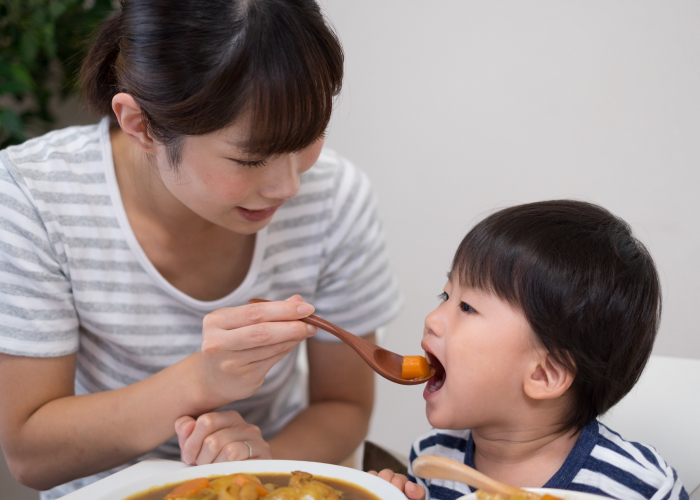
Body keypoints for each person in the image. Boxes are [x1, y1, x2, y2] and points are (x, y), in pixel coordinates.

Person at [0, 1, 401, 498]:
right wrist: (201, 381)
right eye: (251, 159)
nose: (288, 186)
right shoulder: (33, 196)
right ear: (140, 124)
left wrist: (262, 468)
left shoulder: (336, 197)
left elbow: (343, 403)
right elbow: (30, 454)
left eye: (310, 136)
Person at [371, 200, 689, 500]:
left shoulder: (638, 485)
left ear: (543, 374)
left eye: (467, 307)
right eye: (445, 297)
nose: (432, 320)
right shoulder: (433, 459)